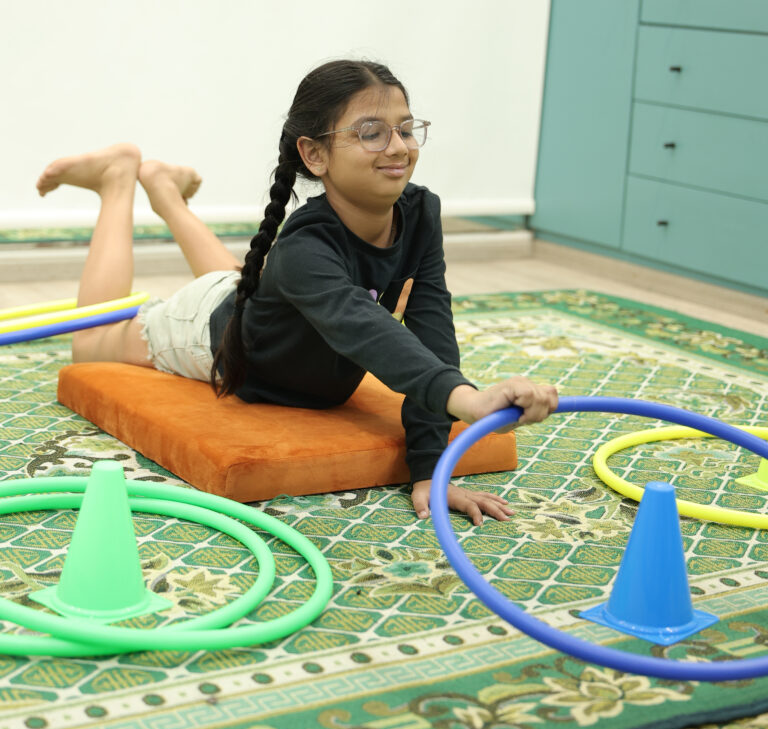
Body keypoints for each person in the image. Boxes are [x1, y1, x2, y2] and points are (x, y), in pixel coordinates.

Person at [36, 58, 558, 523]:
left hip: (267, 310)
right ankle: (118, 179)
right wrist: (468, 400)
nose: (398, 147)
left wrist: (430, 467)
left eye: (405, 129)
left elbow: (431, 334)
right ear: (314, 154)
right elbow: (367, 329)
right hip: (208, 334)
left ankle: (166, 190)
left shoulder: (420, 213)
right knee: (91, 344)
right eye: (372, 132)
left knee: (246, 284)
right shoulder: (304, 247)